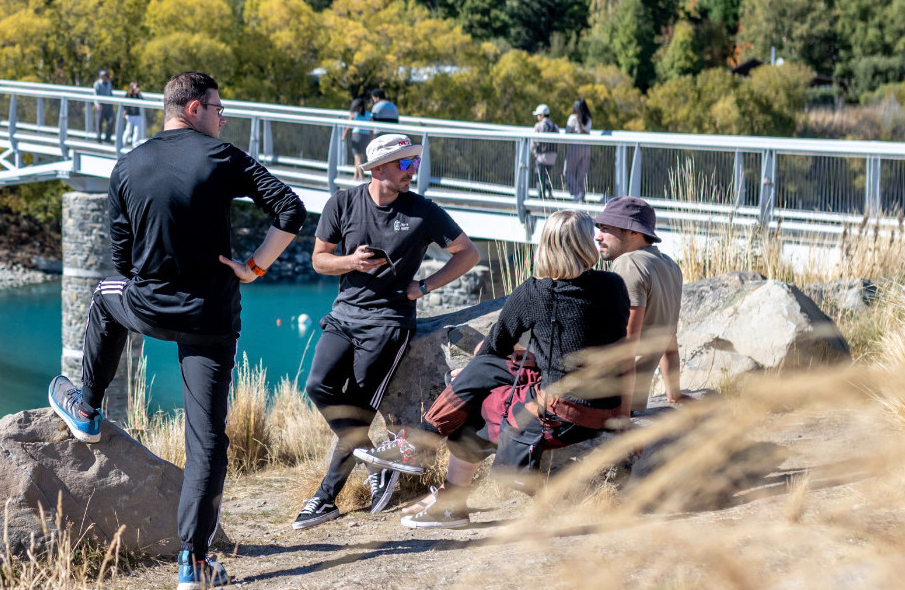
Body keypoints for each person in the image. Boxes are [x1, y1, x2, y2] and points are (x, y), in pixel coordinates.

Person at [48, 71, 305, 590]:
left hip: (149, 306)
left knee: (104, 294)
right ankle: (194, 561)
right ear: (192, 108)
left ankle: (87, 408)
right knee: (207, 440)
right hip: (211, 317)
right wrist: (254, 267)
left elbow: (121, 260)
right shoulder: (223, 158)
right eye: (217, 107)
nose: (222, 117)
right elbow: (292, 209)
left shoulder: (125, 167)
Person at [373, 210, 630, 529]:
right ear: (586, 245)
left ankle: (427, 463)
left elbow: (496, 346)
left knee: (478, 406)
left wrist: (466, 377)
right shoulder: (613, 285)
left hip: (563, 414)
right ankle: (430, 470)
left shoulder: (536, 291)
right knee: (494, 371)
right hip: (606, 406)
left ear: (546, 246)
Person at [292, 133, 482, 530]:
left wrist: (426, 286)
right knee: (317, 385)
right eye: (404, 164)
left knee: (358, 408)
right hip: (344, 316)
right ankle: (377, 462)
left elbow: (468, 254)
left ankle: (325, 498)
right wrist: (351, 262)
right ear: (378, 169)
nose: (412, 171)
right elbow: (319, 261)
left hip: (389, 323)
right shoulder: (342, 202)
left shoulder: (423, 211)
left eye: (414, 163)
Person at [595, 196, 684, 410]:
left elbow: (626, 346)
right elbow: (669, 341)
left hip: (609, 400)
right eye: (599, 228)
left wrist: (623, 418)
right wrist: (675, 395)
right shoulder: (670, 266)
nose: (598, 237)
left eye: (607, 229)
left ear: (634, 232)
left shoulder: (629, 264)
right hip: (632, 400)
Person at [563, 99, 593, 203]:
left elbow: (567, 132)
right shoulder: (589, 118)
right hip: (587, 147)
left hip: (575, 146)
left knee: (567, 171)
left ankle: (576, 192)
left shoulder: (573, 118)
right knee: (582, 173)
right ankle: (582, 195)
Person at [531, 104, 561, 200]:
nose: (537, 117)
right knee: (546, 176)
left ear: (542, 115)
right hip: (552, 157)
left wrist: (534, 153)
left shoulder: (539, 126)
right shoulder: (555, 126)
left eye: (538, 115)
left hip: (541, 156)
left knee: (540, 177)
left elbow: (533, 143)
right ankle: (550, 192)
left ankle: (541, 198)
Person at [344, 93, 373, 182]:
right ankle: (355, 177)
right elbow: (371, 128)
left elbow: (348, 126)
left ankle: (361, 179)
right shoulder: (368, 114)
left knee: (357, 158)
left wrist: (343, 136)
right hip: (366, 136)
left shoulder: (354, 114)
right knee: (361, 158)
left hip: (356, 136)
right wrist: (372, 138)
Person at [91, 67, 115, 138]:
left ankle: (108, 138)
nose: (107, 78)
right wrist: (97, 105)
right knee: (99, 122)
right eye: (105, 76)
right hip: (100, 105)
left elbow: (110, 93)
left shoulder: (109, 83)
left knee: (111, 121)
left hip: (108, 105)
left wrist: (112, 102)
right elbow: (95, 95)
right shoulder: (97, 84)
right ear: (102, 77)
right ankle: (99, 138)